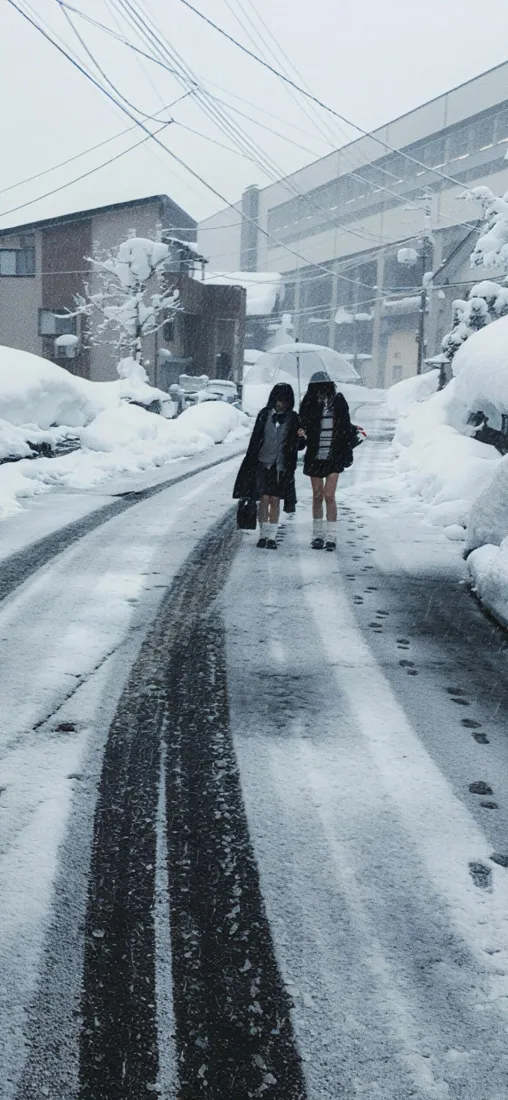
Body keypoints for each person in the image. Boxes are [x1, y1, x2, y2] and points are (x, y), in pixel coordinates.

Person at [233, 382, 303, 549]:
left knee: (275, 500)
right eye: (278, 400)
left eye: (284, 400)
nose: (280, 404)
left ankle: (272, 536)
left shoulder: (293, 418)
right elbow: (255, 439)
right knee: (264, 499)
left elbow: (299, 446)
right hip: (262, 463)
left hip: (281, 466)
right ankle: (263, 534)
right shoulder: (264, 415)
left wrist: (301, 437)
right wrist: (250, 462)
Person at [298, 371, 355, 551]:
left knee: (329, 495)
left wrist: (346, 448)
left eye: (324, 386)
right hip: (315, 455)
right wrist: (301, 432)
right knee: (317, 495)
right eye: (317, 386)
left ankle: (331, 536)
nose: (321, 389)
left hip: (334, 455)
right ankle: (317, 535)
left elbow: (346, 426)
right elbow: (303, 426)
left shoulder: (338, 401)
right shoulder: (308, 402)